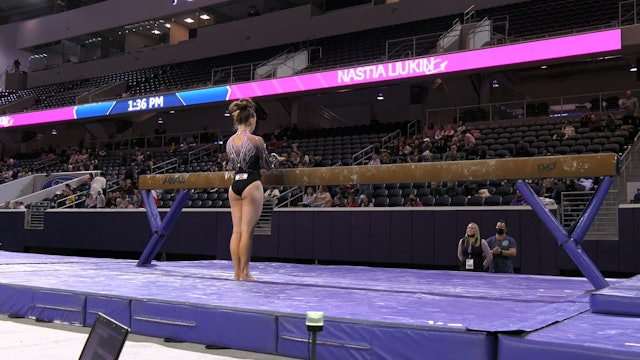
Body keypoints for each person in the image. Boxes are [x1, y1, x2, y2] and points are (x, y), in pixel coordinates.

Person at [226, 98, 279, 281]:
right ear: (251, 121)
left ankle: (236, 273)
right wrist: (275, 159)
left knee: (236, 231)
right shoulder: (257, 140)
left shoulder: (229, 142)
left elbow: (233, 165)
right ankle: (245, 273)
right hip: (251, 183)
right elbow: (267, 166)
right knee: (247, 231)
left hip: (235, 186)